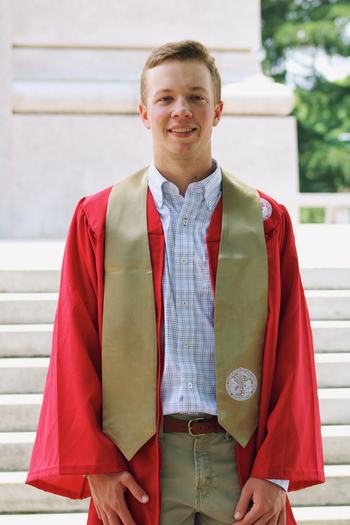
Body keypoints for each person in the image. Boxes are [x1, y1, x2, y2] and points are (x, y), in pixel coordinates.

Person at [26, 40, 325, 525]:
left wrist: (277, 473)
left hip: (241, 461)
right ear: (144, 112)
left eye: (196, 96)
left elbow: (293, 349)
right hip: (140, 464)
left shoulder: (265, 221)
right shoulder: (99, 219)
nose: (181, 110)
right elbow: (73, 348)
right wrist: (97, 468)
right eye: (165, 98)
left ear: (218, 110)